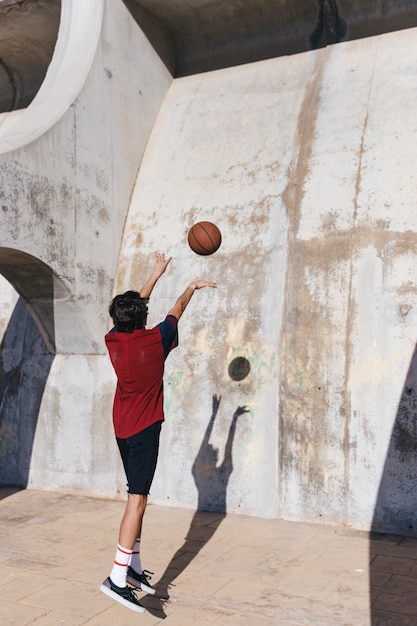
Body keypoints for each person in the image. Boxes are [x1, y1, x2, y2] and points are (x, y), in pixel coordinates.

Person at [100, 252, 217, 613]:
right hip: (144, 429)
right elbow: (177, 308)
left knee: (141, 498)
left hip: (122, 425)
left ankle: (133, 569)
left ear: (117, 319)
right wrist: (191, 287)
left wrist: (155, 274)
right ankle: (116, 579)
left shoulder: (113, 340)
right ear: (143, 317)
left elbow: (136, 307)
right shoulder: (157, 340)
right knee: (136, 499)